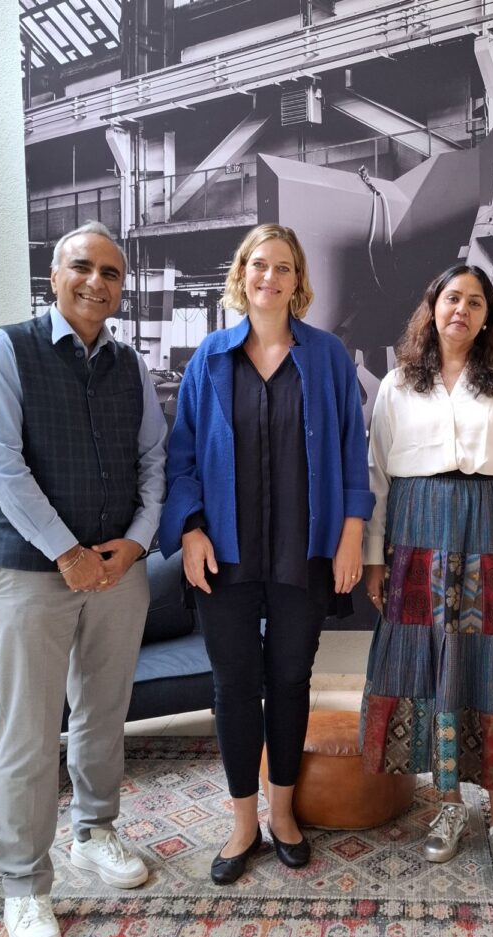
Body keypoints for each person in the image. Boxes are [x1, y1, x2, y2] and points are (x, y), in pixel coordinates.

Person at [0, 222, 167, 937]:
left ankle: (94, 830)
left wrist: (138, 540)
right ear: (54, 277)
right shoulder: (8, 349)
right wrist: (67, 552)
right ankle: (24, 885)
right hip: (30, 575)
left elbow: (155, 459)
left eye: (111, 273)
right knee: (27, 732)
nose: (96, 282)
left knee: (103, 714)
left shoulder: (131, 365)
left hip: (118, 572)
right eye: (82, 267)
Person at [158, 224, 373, 885]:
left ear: (297, 279)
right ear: (241, 274)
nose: (269, 277)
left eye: (283, 267)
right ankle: (242, 822)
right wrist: (190, 530)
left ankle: (282, 814)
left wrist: (351, 533)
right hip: (224, 553)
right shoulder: (210, 358)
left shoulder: (328, 356)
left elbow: (352, 449)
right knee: (232, 686)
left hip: (302, 554)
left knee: (288, 680)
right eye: (259, 264)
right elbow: (182, 455)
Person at [359, 263, 493, 888]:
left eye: (475, 301)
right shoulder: (398, 382)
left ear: (488, 316)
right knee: (432, 663)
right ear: (432, 307)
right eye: (451, 298)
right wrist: (372, 555)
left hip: (489, 530)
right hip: (416, 533)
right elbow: (377, 476)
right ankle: (447, 806)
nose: (461, 310)